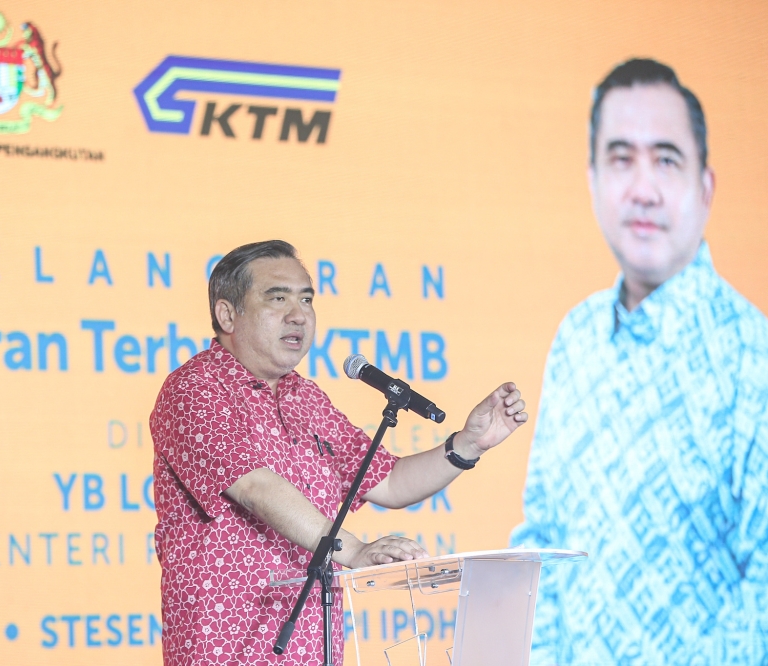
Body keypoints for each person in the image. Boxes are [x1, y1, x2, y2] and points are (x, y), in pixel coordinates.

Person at [150, 240, 527, 665]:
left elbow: (388, 480)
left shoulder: (306, 399)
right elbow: (255, 486)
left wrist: (467, 445)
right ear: (227, 314)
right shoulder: (195, 389)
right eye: (278, 298)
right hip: (227, 648)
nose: (299, 315)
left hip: (313, 649)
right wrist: (356, 550)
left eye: (306, 299)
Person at [511, 58, 768, 664]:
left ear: (705, 188)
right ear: (594, 179)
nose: (643, 188)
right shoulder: (576, 338)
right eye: (621, 159)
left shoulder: (751, 357)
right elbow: (542, 544)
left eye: (667, 159)